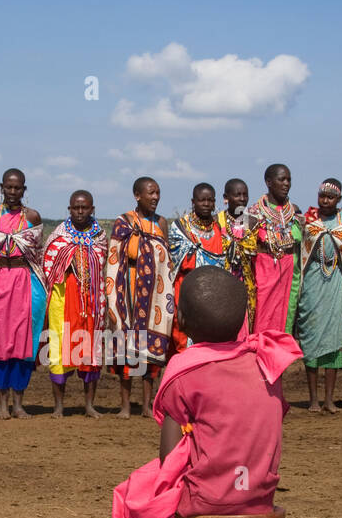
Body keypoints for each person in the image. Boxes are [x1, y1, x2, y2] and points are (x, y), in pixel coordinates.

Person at [113, 266, 301, 518]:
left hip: (208, 503)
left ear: (181, 320)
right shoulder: (266, 362)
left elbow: (168, 460)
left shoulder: (185, 368)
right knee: (195, 471)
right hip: (259, 496)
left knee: (133, 495)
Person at [0, 169, 46, 419]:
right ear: (2, 187)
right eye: (9, 187)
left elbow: (37, 255)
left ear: (24, 190)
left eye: (18, 188)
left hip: (24, 282)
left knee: (22, 343)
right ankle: (2, 404)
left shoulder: (33, 217)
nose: (13, 192)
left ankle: (18, 404)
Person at [106, 177, 173, 417]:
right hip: (129, 288)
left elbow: (166, 257)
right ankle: (125, 405)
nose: (155, 197)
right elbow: (116, 254)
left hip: (155, 291)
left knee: (151, 350)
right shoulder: (124, 222)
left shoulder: (161, 223)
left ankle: (146, 405)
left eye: (158, 193)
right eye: (150, 193)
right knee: (126, 346)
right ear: (137, 195)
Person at [42, 189, 105, 418]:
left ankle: (89, 405)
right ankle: (59, 406)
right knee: (59, 347)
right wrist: (71, 254)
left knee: (91, 348)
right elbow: (48, 265)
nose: (80, 211)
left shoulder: (100, 235)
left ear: (92, 209)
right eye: (76, 207)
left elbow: (102, 259)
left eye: (85, 207)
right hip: (63, 297)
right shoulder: (59, 234)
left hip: (91, 301)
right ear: (69, 209)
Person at [298, 178, 342, 411]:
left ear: (339, 200)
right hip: (312, 282)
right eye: (322, 196)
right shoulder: (309, 219)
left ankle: (329, 399)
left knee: (333, 337)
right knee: (311, 336)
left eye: (330, 197)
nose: (325, 200)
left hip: (335, 282)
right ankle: (313, 399)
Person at [166, 182, 229, 354]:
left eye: (210, 200)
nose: (207, 204)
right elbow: (177, 261)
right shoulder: (180, 228)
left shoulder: (219, 230)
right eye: (202, 200)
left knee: (209, 346)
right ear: (193, 202)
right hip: (187, 295)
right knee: (184, 343)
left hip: (212, 299)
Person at [248, 164, 302, 337]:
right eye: (281, 179)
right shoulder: (253, 213)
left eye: (289, 179)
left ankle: (281, 359)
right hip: (264, 273)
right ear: (269, 182)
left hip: (289, 274)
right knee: (263, 318)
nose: (286, 183)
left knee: (287, 314)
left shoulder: (294, 212)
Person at [217, 178, 256, 326]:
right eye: (237, 195)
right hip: (223, 284)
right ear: (226, 198)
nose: (242, 199)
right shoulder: (217, 221)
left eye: (245, 195)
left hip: (246, 285)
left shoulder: (252, 222)